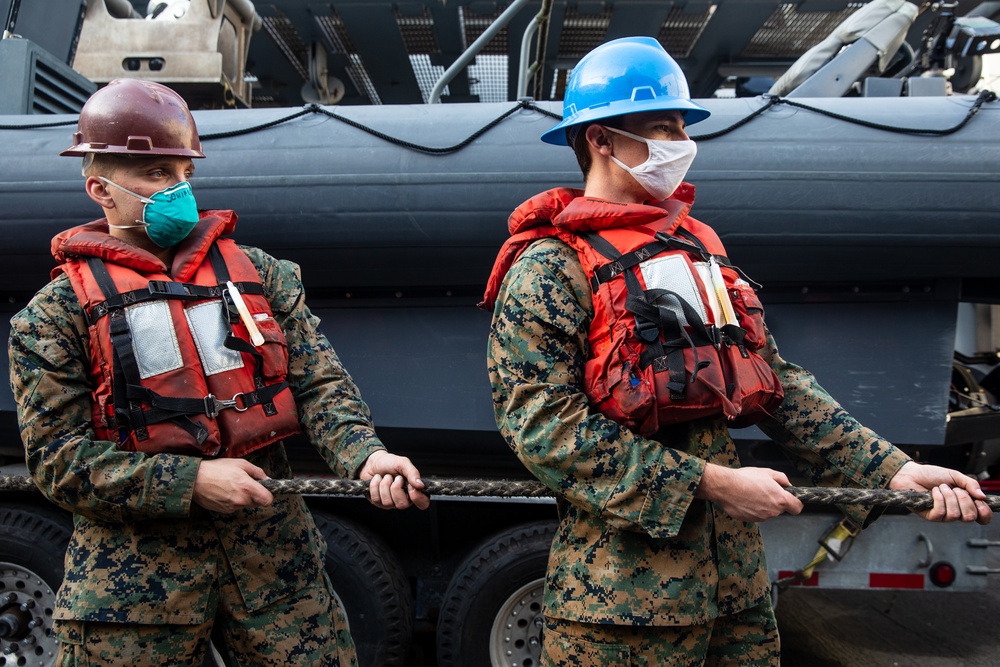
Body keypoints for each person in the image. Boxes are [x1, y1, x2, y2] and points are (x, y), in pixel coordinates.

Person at [481, 37, 992, 666]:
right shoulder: (550, 269)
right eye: (660, 126)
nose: (680, 143)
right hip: (622, 610)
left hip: (739, 597)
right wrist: (709, 484)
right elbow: (539, 427)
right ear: (601, 139)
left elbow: (773, 381)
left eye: (681, 126)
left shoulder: (694, 253)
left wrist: (891, 470)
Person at [7, 78, 429, 666]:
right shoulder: (54, 317)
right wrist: (192, 483)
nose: (177, 189)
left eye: (184, 173)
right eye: (156, 175)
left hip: (276, 571)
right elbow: (59, 462)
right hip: (133, 587)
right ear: (100, 189)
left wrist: (366, 455)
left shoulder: (258, 274)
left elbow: (319, 384)